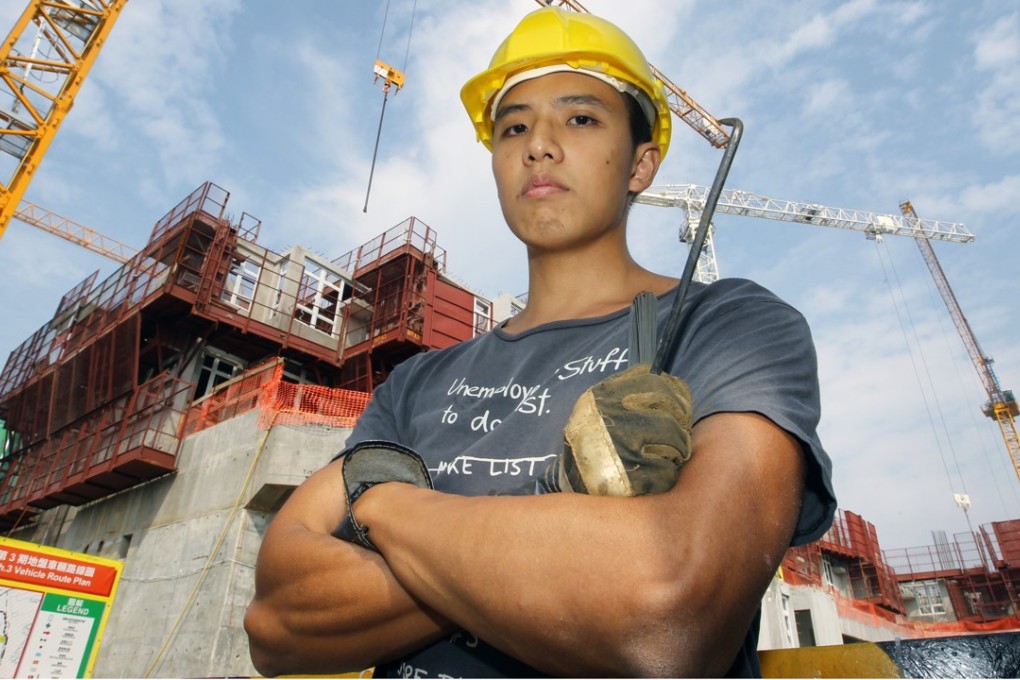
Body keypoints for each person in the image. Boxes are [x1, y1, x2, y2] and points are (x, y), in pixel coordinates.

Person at [244, 6, 836, 677]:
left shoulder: (726, 326)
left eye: (580, 118)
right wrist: (566, 538)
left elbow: (670, 616)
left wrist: (384, 504)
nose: (539, 144)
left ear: (643, 164)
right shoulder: (417, 383)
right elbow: (277, 622)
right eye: (514, 126)